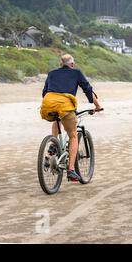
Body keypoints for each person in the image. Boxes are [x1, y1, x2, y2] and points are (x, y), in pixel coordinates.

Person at [40, 54, 102, 182]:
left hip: (48, 104)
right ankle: (71, 170)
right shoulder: (76, 72)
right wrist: (97, 105)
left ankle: (53, 144)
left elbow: (44, 92)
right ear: (72, 64)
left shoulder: (52, 73)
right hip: (65, 106)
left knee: (57, 118)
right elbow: (87, 89)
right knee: (73, 135)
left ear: (61, 64)